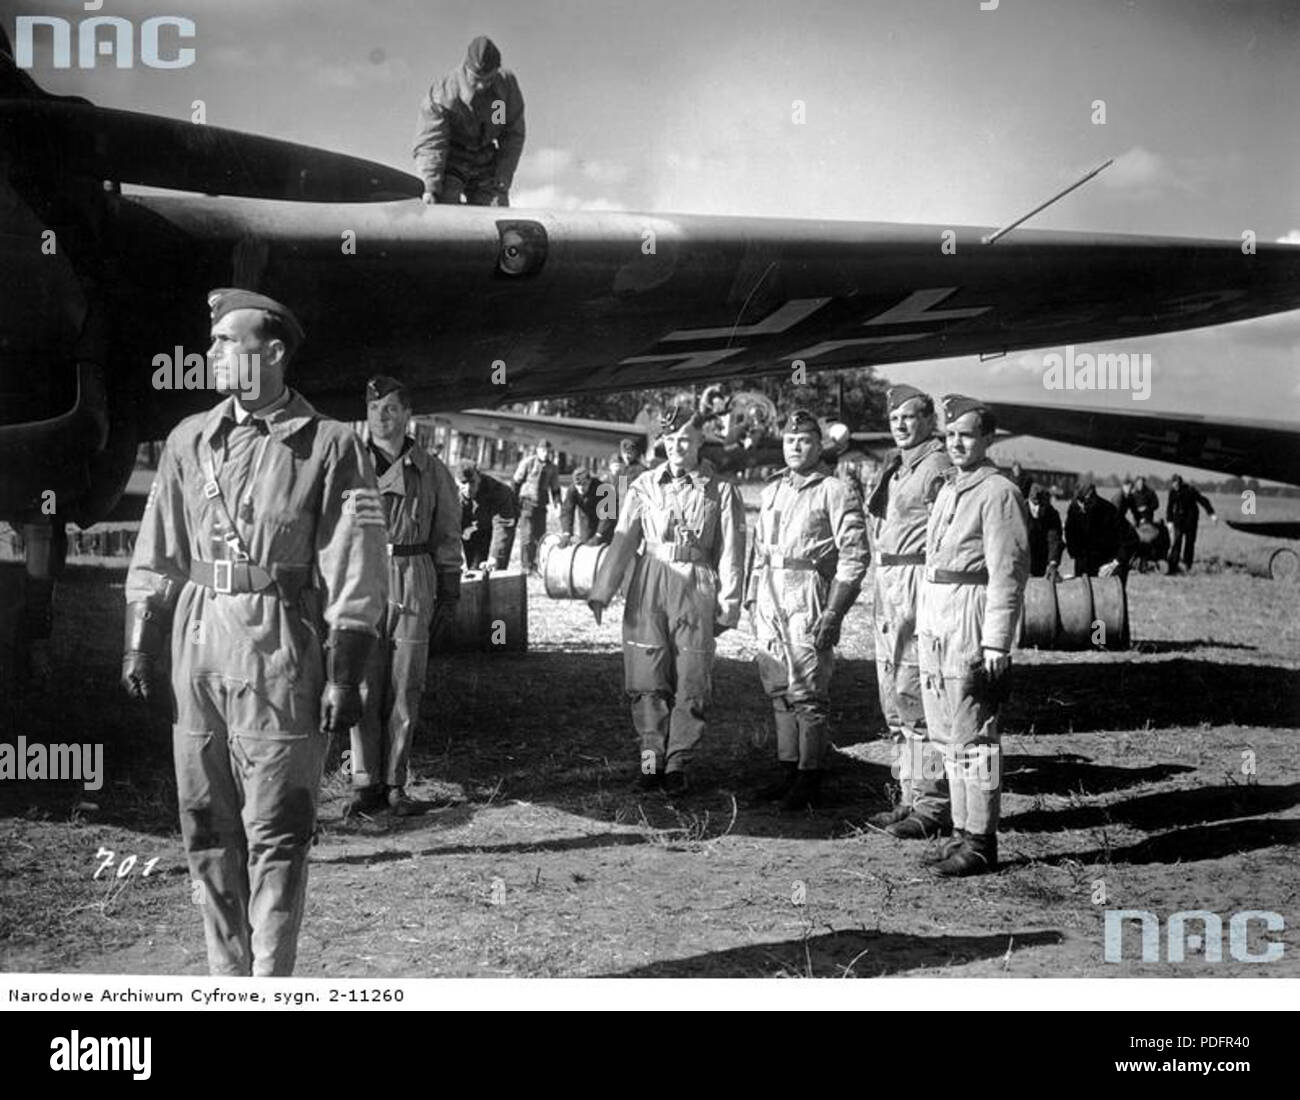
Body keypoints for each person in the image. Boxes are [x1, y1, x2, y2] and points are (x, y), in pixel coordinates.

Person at [122, 289, 388, 975]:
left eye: (225, 342)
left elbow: (356, 566)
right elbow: (157, 550)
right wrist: (140, 640)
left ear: (271, 354)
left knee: (276, 834)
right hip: (199, 643)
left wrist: (345, 672)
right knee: (205, 829)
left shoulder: (331, 446)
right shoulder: (190, 439)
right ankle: (224, 979)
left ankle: (268, 984)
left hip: (278, 651)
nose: (209, 353)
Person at [587, 406, 746, 795]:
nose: (677, 446)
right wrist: (602, 591)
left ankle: (678, 764)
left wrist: (730, 601)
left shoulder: (721, 489)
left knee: (691, 677)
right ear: (662, 442)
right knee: (646, 677)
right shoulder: (643, 484)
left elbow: (733, 550)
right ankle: (649, 762)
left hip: (696, 582)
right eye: (670, 439)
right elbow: (624, 537)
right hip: (650, 580)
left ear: (699, 442)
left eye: (685, 440)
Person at [916, 395, 1029, 877]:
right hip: (938, 613)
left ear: (988, 439)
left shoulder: (999, 492)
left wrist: (996, 642)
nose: (957, 442)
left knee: (974, 732)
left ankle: (982, 840)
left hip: (971, 616)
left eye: (967, 434)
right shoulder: (950, 489)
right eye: (951, 434)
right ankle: (960, 832)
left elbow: (1009, 573)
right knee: (944, 732)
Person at [346, 376, 463, 818]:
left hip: (415, 573)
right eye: (375, 408)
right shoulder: (349, 465)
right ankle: (364, 783)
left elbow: (448, 530)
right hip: (364, 576)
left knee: (405, 686)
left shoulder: (431, 470)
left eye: (391, 408)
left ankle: (395, 783)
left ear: (407, 414)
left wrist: (449, 586)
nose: (382, 416)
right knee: (362, 684)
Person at [747, 410, 867, 811]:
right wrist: (752, 600)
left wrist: (834, 612)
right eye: (788, 440)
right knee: (778, 691)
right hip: (770, 597)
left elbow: (854, 557)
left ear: (819, 446)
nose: (795, 447)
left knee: (808, 694)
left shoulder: (836, 490)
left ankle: (810, 776)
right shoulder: (772, 490)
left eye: (803, 441)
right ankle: (788, 770)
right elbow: (758, 551)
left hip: (808, 595)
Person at [862, 385, 953, 838]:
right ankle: (909, 796)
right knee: (894, 699)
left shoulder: (936, 465)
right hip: (889, 584)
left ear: (928, 420)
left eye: (909, 417)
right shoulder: (897, 467)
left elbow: (946, 535)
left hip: (917, 583)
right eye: (893, 417)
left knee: (916, 694)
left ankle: (933, 805)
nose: (899, 424)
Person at [413, 35, 525, 207]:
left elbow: (511, 135)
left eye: (488, 79)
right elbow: (432, 144)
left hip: (486, 160)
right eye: (477, 80)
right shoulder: (443, 94)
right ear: (466, 68)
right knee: (444, 210)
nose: (482, 86)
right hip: (452, 160)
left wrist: (502, 179)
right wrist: (430, 187)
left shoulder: (505, 87)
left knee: (496, 211)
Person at [1065, 482, 1139, 578]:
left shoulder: (1109, 511)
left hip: (1109, 568)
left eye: (1084, 502)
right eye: (1078, 502)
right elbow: (1070, 536)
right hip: (1084, 568)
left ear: (1091, 495)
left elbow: (1131, 538)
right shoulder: (1074, 509)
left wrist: (1115, 563)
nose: (1081, 506)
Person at [512, 439, 562, 573]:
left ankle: (536, 565)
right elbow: (516, 482)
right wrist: (514, 502)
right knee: (527, 536)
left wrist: (558, 505)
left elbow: (555, 488)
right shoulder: (528, 463)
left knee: (540, 537)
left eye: (548, 451)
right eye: (543, 451)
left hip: (541, 504)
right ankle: (526, 566)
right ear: (538, 451)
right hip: (527, 502)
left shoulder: (552, 468)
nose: (545, 454)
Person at [458, 460, 517, 570]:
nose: (468, 488)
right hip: (473, 528)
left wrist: (495, 556)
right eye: (463, 484)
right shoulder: (452, 493)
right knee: (474, 569)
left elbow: (503, 525)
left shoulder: (499, 491)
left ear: (479, 478)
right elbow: (449, 527)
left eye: (472, 482)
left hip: (498, 526)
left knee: (494, 569)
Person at [1165, 473, 1217, 574]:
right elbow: (1169, 507)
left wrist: (1211, 514)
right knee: (1177, 543)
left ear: (1180, 482)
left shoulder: (1190, 490)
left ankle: (1187, 565)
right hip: (1178, 521)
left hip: (1190, 521)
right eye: (1173, 483)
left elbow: (1202, 500)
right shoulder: (1172, 492)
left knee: (1189, 543)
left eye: (1176, 483)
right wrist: (1169, 521)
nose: (1174, 485)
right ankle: (1172, 565)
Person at [558, 467, 615, 547]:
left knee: (603, 548)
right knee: (586, 547)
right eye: (578, 485)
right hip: (587, 521)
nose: (581, 488)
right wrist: (566, 533)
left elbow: (608, 514)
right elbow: (567, 511)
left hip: (605, 522)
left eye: (584, 484)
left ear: (590, 481)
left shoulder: (603, 488)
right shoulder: (572, 490)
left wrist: (599, 535)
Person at [1026, 485, 1063, 579]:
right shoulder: (1019, 510)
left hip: (1041, 559)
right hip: (1022, 559)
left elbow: (1054, 539)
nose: (1039, 508)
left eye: (1042, 504)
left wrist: (1053, 563)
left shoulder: (1051, 513)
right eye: (1036, 504)